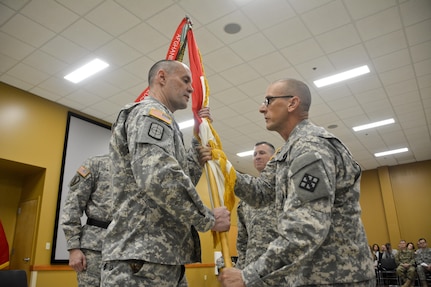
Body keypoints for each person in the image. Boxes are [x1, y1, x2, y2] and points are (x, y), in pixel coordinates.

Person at [218, 78, 375, 286]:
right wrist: (220, 166)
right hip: (311, 276)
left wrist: (248, 274)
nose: (261, 108)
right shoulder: (289, 151)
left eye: (268, 100)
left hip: (336, 277)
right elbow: (262, 192)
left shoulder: (311, 148)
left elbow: (306, 227)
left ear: (292, 103)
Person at [101, 60, 230, 287]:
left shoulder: (167, 122)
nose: (191, 88)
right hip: (140, 261)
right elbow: (159, 177)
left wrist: (198, 139)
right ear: (162, 77)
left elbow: (177, 175)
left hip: (162, 259)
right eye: (185, 80)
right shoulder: (149, 114)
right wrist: (207, 218)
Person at [61, 154, 112, 287]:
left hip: (128, 250)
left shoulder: (139, 170)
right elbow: (72, 207)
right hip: (95, 250)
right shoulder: (96, 164)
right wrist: (73, 248)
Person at [236, 141, 277, 269]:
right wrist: (241, 270)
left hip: (278, 267)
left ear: (273, 157)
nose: (257, 156)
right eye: (254, 154)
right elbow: (242, 239)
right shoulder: (246, 199)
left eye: (262, 153)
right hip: (252, 269)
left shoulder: (283, 189)